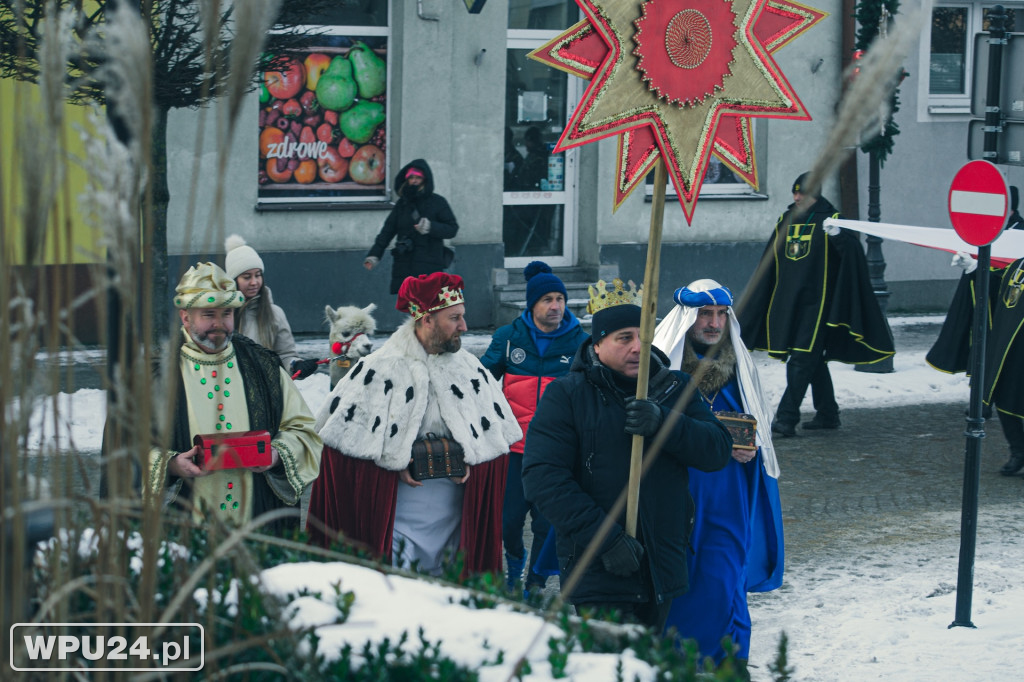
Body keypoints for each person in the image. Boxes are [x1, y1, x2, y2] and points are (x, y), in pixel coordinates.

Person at [521, 280, 732, 630]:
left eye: (643, 336)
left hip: (661, 564)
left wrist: (666, 423)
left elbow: (717, 451)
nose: (638, 348)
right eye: (624, 338)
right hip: (598, 568)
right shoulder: (567, 395)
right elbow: (544, 479)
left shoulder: (673, 387)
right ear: (598, 343)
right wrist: (606, 541)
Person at [306, 272, 522, 576]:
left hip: (456, 521)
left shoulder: (470, 369)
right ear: (426, 320)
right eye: (455, 318)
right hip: (395, 520)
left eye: (463, 317)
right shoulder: (378, 369)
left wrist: (473, 458)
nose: (464, 327)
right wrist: (391, 460)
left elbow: (496, 445)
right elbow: (339, 454)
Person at [653, 279, 784, 674]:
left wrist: (753, 445)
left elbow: (758, 425)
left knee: (725, 573)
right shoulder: (665, 368)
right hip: (678, 489)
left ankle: (731, 657)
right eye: (704, 314)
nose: (713, 323)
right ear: (686, 319)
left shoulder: (740, 368)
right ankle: (676, 655)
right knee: (680, 575)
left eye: (721, 315)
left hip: (729, 493)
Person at [149, 262, 322, 533]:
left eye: (227, 313)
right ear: (185, 317)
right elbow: (122, 451)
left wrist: (275, 455)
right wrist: (170, 465)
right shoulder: (156, 376)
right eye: (208, 315)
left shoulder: (262, 366)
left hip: (257, 530)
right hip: (185, 536)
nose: (219, 325)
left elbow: (305, 431)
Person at [738, 171, 895, 437]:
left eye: (803, 192)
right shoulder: (786, 219)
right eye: (795, 192)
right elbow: (772, 261)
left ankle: (786, 419)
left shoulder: (833, 221)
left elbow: (853, 258)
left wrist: (838, 237)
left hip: (820, 306)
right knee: (811, 361)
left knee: (800, 359)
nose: (797, 197)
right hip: (790, 304)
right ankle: (828, 414)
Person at [480, 261, 588, 593]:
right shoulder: (509, 338)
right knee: (508, 521)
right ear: (532, 304)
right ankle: (514, 561)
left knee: (547, 523)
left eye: (560, 299)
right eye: (547, 300)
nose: (555, 306)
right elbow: (480, 382)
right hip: (514, 449)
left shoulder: (581, 343)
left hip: (556, 455)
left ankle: (535, 583)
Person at [224, 234, 320, 379]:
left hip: (264, 392)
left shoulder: (275, 314)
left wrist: (296, 366)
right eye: (247, 277)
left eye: (258, 275)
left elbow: (285, 354)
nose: (254, 282)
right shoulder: (222, 314)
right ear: (233, 280)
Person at [363, 160, 459, 295]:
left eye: (418, 177)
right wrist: (374, 255)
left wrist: (430, 227)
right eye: (411, 178)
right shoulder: (402, 205)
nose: (414, 181)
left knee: (428, 307)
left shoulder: (437, 202)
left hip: (429, 263)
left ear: (425, 179)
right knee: (412, 308)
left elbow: (452, 229)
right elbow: (387, 231)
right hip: (405, 264)